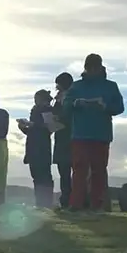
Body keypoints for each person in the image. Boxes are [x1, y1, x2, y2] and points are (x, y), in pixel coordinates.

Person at [62, 54, 124, 212]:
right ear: (86, 68)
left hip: (101, 134)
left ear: (100, 67)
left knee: (99, 170)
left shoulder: (111, 86)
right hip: (81, 134)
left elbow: (119, 107)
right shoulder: (76, 86)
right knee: (79, 169)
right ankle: (76, 204)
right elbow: (66, 105)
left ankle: (97, 205)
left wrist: (105, 106)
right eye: (89, 67)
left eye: (94, 67)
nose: (92, 70)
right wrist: (76, 103)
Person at [18, 89, 56, 208]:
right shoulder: (35, 110)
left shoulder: (48, 111)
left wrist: (33, 125)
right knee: (36, 175)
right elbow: (32, 132)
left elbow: (50, 128)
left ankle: (46, 202)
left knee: (44, 175)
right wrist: (24, 127)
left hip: (42, 146)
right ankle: (40, 202)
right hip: (33, 145)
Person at [51, 72, 75, 209]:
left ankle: (74, 200)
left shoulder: (72, 98)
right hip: (60, 137)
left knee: (74, 170)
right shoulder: (57, 99)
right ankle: (65, 199)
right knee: (63, 171)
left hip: (71, 137)